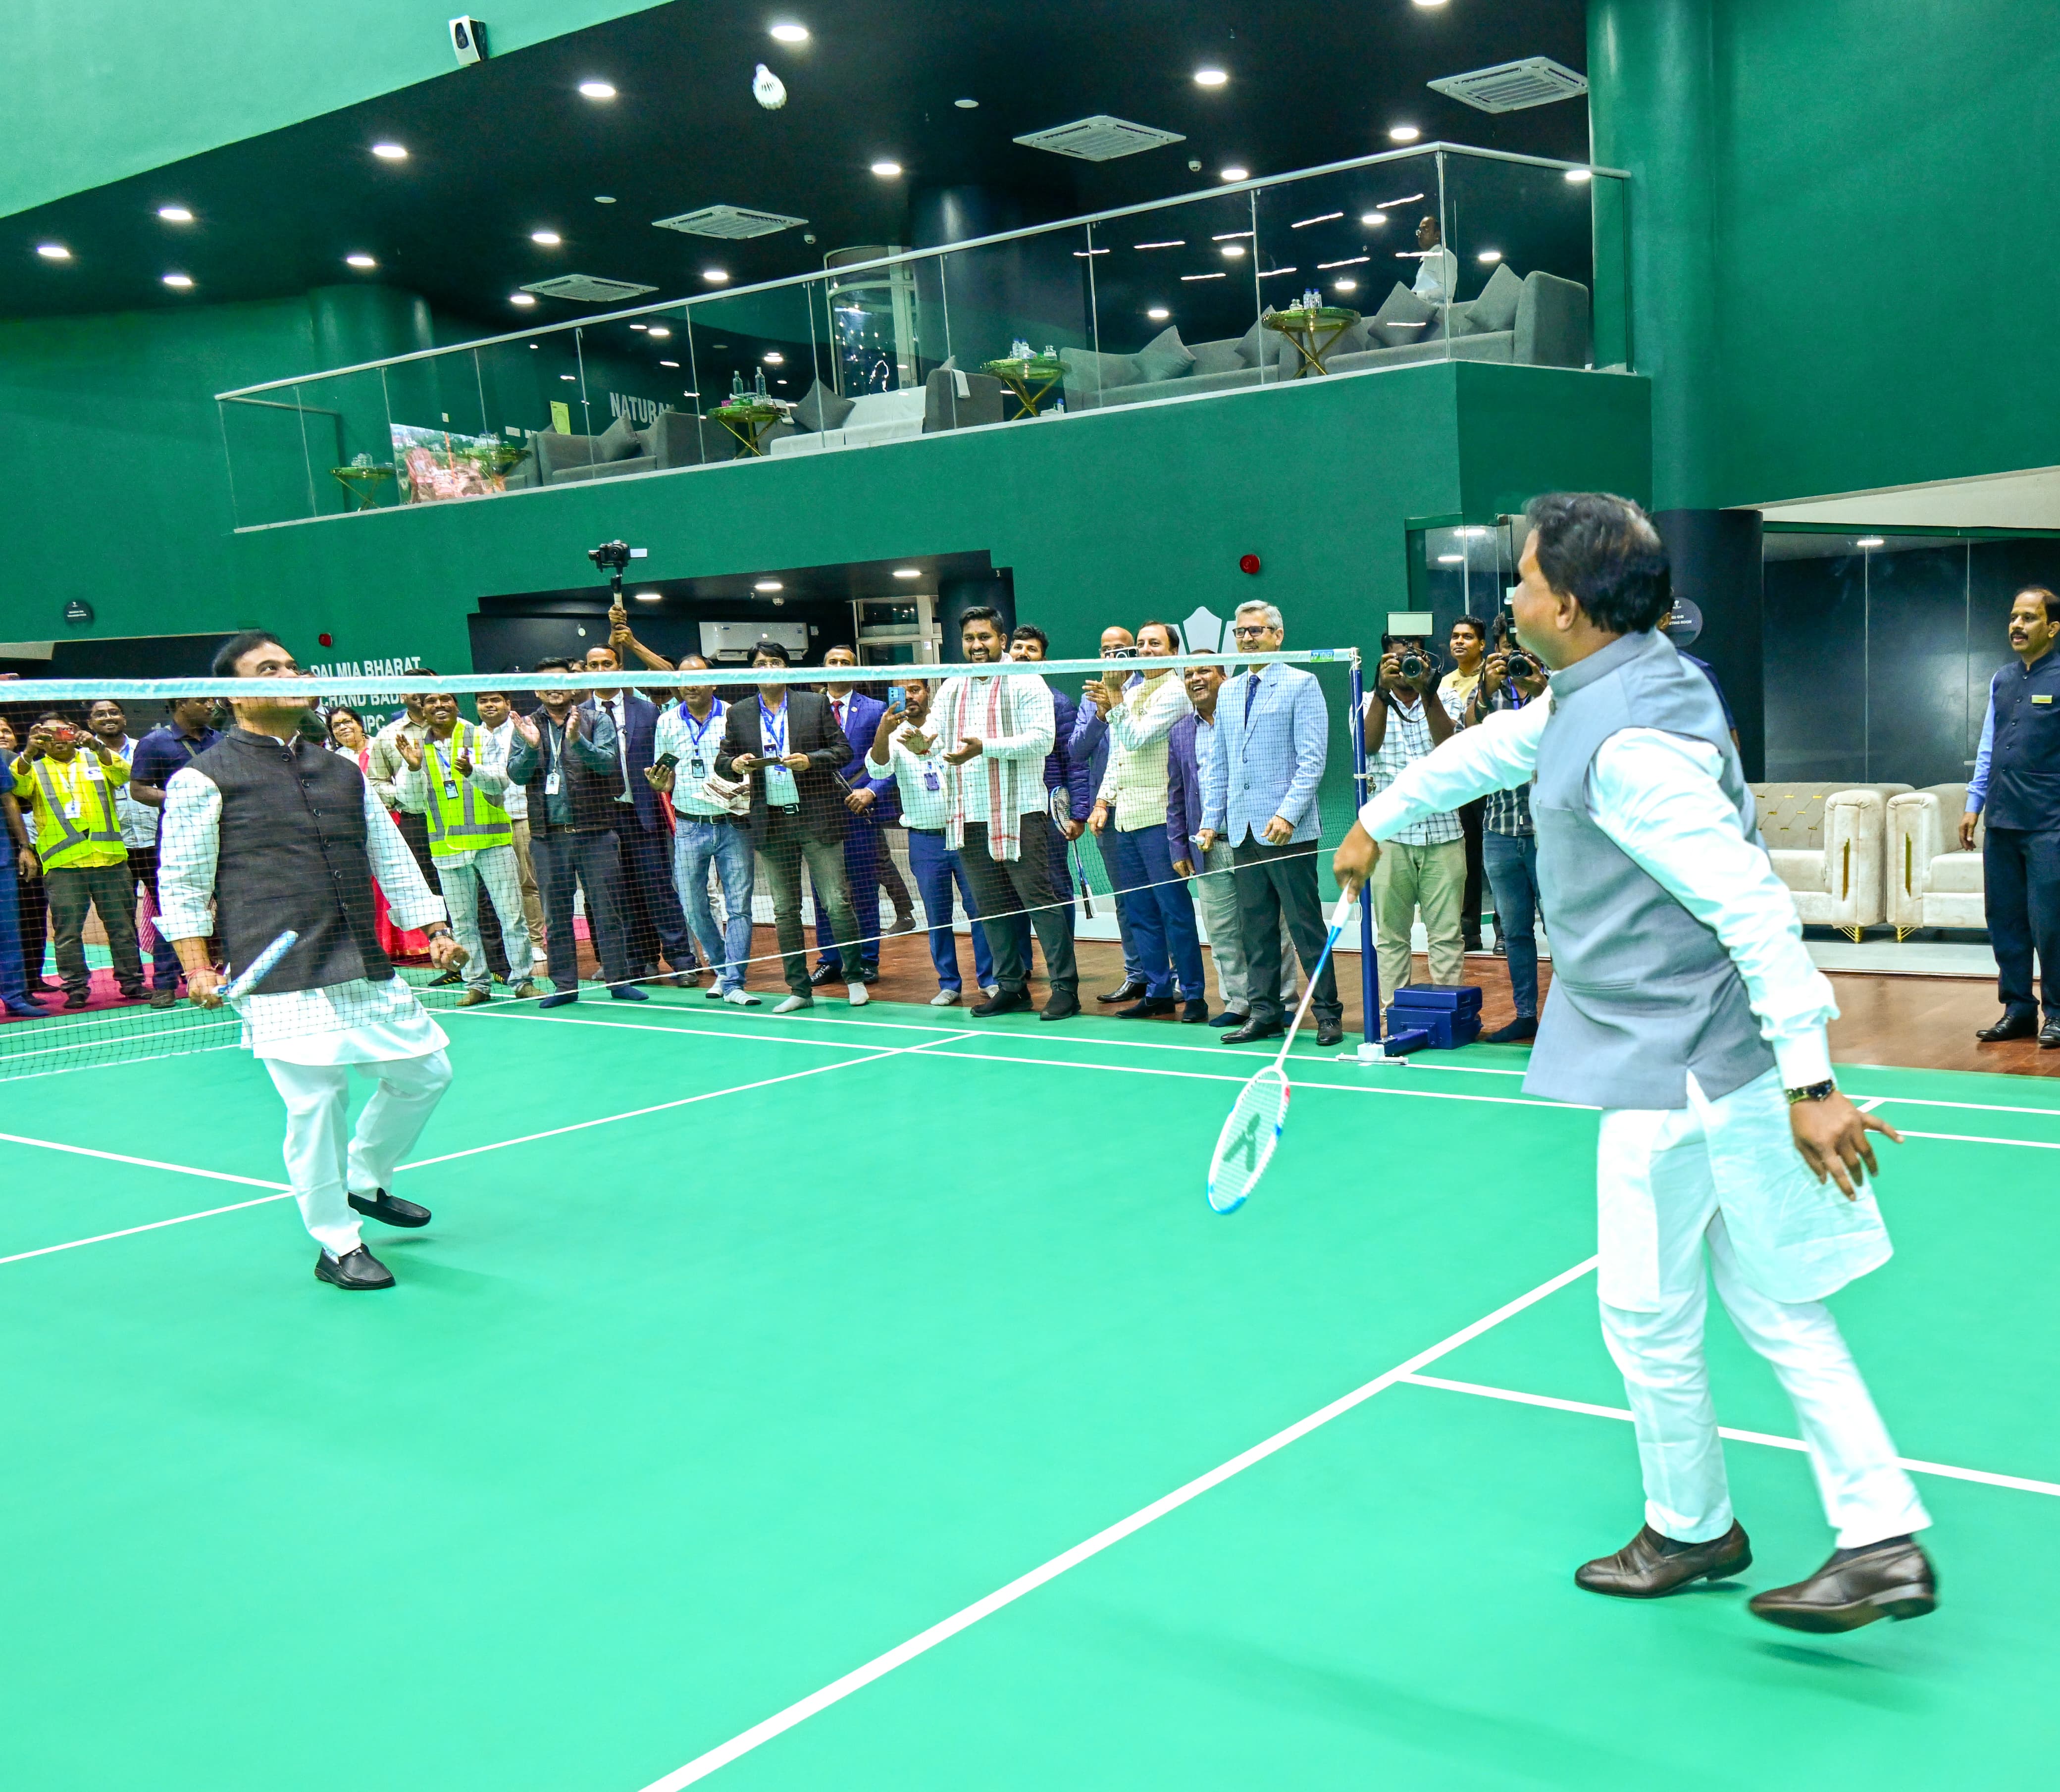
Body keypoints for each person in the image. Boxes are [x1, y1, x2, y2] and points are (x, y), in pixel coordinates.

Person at [1336, 491, 1936, 1632]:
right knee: (1775, 1304)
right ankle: (1878, 1539)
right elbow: (1490, 751)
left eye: (1516, 579)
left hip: (1682, 1073)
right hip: (1708, 1059)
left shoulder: (1627, 749)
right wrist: (1378, 819)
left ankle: (1693, 1529)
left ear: (1565, 602)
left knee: (1646, 1309)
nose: (1505, 596)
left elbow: (1756, 908)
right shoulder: (1623, 685)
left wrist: (1814, 1084)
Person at [158, 631, 465, 1291]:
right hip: (277, 972)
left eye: (294, 664)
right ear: (235, 693)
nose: (291, 674)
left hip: (357, 953)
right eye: (270, 668)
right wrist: (197, 965)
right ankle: (336, 1241)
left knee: (426, 1071)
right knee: (317, 1101)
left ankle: (364, 1175)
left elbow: (391, 857)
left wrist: (434, 928)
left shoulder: (342, 770)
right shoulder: (202, 777)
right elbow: (181, 881)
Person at [918, 606, 1079, 1020]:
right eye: (970, 638)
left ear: (1002, 641)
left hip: (1021, 812)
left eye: (985, 638)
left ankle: (1065, 989)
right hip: (969, 814)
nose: (976, 646)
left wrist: (984, 746)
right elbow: (934, 734)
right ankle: (1011, 987)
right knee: (991, 906)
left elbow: (1042, 741)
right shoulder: (953, 686)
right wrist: (913, 738)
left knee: (1040, 902)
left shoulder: (1027, 681)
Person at [1197, 601, 1343, 1048]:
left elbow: (1312, 761)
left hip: (1287, 830)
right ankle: (1264, 1013)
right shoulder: (1228, 691)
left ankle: (1328, 1014)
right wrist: (1210, 822)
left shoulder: (1303, 683)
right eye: (1240, 632)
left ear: (1278, 635)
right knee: (1254, 929)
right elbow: (1220, 764)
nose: (1246, 639)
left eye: (1256, 631)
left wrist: (1287, 813)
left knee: (1305, 927)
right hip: (1241, 832)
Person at [716, 642, 867, 1014]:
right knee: (784, 910)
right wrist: (736, 764)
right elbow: (722, 761)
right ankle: (799, 988)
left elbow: (843, 751)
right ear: (752, 670)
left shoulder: (813, 704)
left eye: (775, 661)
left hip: (816, 817)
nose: (768, 667)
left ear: (787, 667)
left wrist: (809, 761)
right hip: (771, 822)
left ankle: (855, 978)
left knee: (836, 901)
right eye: (761, 662)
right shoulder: (739, 713)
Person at [509, 657, 647, 1010]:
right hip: (547, 837)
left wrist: (577, 741)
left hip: (596, 833)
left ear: (572, 686)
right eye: (547, 682)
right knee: (556, 919)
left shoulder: (596, 720)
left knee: (609, 911)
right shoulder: (526, 725)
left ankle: (619, 980)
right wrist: (528, 746)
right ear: (536, 689)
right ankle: (565, 985)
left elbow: (608, 763)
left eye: (561, 681)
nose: (555, 687)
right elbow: (517, 775)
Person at [1088, 621, 1207, 1022]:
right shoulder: (1133, 691)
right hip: (1126, 820)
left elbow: (1138, 736)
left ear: (1174, 651)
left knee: (1174, 910)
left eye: (1154, 643)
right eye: (1141, 644)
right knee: (1139, 909)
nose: (1145, 649)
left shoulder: (1178, 693)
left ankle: (1193, 994)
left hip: (1161, 819)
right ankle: (1158, 989)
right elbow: (1120, 755)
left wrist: (1115, 698)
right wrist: (1104, 800)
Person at [394, 690, 538, 1006]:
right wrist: (414, 768)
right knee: (462, 923)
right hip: (447, 848)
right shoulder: (419, 747)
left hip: (491, 841)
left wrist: (472, 771)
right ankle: (477, 985)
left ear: (457, 706)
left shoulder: (479, 736)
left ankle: (523, 981)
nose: (439, 705)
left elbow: (501, 781)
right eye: (431, 702)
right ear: (423, 709)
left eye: (446, 699)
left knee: (511, 918)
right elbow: (413, 802)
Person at [1169, 660, 1292, 1029]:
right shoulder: (1180, 732)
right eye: (1189, 674)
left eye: (1204, 671)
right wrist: (1179, 845)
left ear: (1225, 678)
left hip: (1255, 839)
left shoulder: (1246, 719)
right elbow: (1177, 794)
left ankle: (1281, 1000)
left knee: (1272, 925)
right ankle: (1239, 1002)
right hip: (1209, 846)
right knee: (1222, 930)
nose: (1196, 679)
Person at [1964, 585, 2060, 1046]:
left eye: (2029, 617)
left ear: (2053, 627)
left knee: (2052, 924)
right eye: (2014, 616)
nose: (2017, 625)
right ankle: (2019, 1009)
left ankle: (2058, 1013)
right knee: (2005, 921)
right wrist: (1973, 802)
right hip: (2001, 820)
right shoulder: (2001, 679)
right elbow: (1988, 744)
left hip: (2049, 823)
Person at [865, 677, 997, 1004]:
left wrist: (929, 746)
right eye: (902, 690)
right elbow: (879, 771)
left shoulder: (949, 725)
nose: (910, 696)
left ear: (928, 692)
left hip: (966, 832)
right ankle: (949, 983)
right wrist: (884, 730)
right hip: (925, 839)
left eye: (915, 689)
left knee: (980, 909)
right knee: (938, 914)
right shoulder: (893, 737)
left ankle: (990, 979)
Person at [11, 713, 146, 1006]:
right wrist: (29, 751)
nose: (56, 740)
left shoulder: (95, 757)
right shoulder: (34, 767)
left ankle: (133, 983)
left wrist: (97, 745)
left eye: (62, 732)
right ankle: (76, 988)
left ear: (73, 731)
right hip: (63, 865)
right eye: (47, 736)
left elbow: (124, 774)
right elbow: (16, 786)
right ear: (39, 739)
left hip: (108, 858)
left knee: (122, 928)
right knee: (67, 933)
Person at [584, 641, 698, 987]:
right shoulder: (579, 713)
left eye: (608, 663)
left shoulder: (649, 711)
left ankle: (682, 960)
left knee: (659, 889)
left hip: (644, 813)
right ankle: (639, 960)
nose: (602, 670)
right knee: (620, 893)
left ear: (620, 668)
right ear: (587, 670)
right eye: (594, 665)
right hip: (602, 817)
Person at [1361, 632, 1466, 999]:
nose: (1406, 667)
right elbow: (1367, 746)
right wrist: (1381, 692)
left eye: (1413, 659)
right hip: (1390, 837)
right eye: (1397, 660)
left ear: (1425, 660)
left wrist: (1427, 691)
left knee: (1448, 935)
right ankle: (1394, 1013)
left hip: (1443, 833)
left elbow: (1449, 746)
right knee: (1391, 937)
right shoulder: (1366, 702)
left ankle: (1447, 1013)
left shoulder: (1447, 697)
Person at [649, 656, 759, 1006]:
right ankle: (725, 969)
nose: (690, 684)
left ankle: (734, 982)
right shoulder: (666, 721)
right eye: (684, 678)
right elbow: (664, 776)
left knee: (739, 905)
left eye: (697, 678)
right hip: (688, 824)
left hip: (733, 823)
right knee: (693, 906)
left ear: (715, 682)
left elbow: (751, 763)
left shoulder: (736, 715)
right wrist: (659, 782)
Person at [1464, 616, 1550, 1041]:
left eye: (1526, 650)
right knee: (1515, 932)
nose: (1518, 659)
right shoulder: (1490, 694)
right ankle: (1524, 1015)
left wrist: (1540, 689)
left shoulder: (1557, 689)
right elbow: (1468, 740)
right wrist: (1484, 690)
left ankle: (1577, 1020)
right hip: (1499, 829)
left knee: (1563, 931)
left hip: (1551, 834)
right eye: (1508, 650)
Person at [127, 694, 221, 1007]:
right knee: (175, 909)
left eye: (211, 701)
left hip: (223, 837)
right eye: (202, 701)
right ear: (180, 703)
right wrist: (181, 799)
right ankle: (165, 983)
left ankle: (228, 974)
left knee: (231, 908)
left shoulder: (219, 740)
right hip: (178, 839)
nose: (210, 706)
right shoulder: (155, 742)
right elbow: (138, 789)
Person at [1069, 624, 1147, 1002]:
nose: (1114, 657)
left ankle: (1173, 974)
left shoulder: (1149, 687)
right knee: (1124, 897)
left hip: (1148, 809)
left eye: (1122, 650)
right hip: (1108, 811)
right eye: (1107, 650)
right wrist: (1100, 714)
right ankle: (1137, 973)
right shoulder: (1089, 698)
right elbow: (1076, 751)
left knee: (1158, 895)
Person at [1007, 624, 1091, 972]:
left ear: (1044, 659)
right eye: (1018, 647)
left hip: (1047, 814)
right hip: (1006, 810)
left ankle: (1062, 966)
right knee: (1010, 892)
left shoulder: (1058, 703)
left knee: (1055, 886)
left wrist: (1078, 813)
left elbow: (1076, 761)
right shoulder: (997, 701)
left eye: (1032, 649)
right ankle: (1021, 967)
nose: (1023, 653)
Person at [810, 646, 893, 987]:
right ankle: (830, 959)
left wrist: (870, 790)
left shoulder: (876, 710)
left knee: (863, 889)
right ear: (823, 667)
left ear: (856, 670)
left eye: (847, 662)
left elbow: (892, 761)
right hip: (819, 815)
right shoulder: (809, 709)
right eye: (834, 661)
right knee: (824, 891)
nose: (840, 666)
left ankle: (868, 959)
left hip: (861, 812)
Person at [473, 687, 550, 974]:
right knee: (490, 891)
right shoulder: (472, 735)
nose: (489, 705)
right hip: (484, 823)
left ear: (508, 703)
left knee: (527, 883)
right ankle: (501, 947)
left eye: (495, 700)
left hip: (519, 816)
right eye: (483, 700)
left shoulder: (522, 728)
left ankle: (533, 941)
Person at [1439, 616, 1494, 953]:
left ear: (1482, 644)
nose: (1460, 642)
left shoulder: (1495, 675)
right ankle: (1469, 931)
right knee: (1467, 858)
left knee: (1496, 858)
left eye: (1469, 637)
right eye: (1456, 636)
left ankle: (1502, 931)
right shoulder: (1444, 683)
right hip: (1460, 781)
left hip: (1491, 780)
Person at [0, 717, 50, 992]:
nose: (3, 735)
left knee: (30, 917)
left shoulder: (29, 764)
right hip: (11, 851)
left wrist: (25, 847)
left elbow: (18, 801)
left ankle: (30, 980)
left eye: (7, 730)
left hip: (24, 854)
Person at [0, 751, 43, 1017]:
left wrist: (24, 847)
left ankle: (15, 997)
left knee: (8, 933)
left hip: (2, 859)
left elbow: (9, 800)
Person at [1413, 215, 1460, 307]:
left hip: (1441, 318)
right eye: (1419, 230)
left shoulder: (1445, 255)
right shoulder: (1423, 265)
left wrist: (1420, 294)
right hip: (1428, 317)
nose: (1420, 233)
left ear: (1437, 235)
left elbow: (1448, 290)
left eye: (1425, 229)